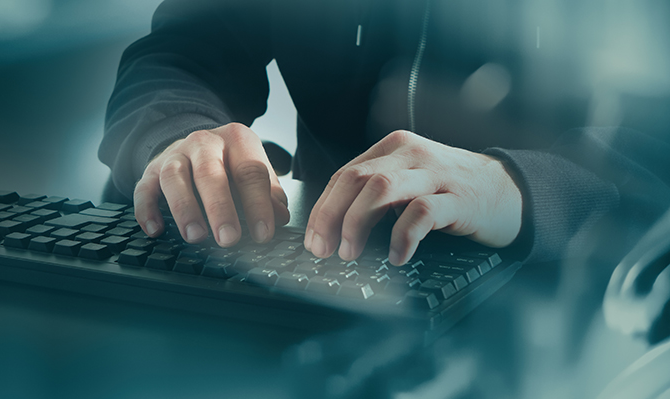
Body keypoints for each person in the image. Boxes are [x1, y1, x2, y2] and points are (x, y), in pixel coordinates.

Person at [99, 0, 670, 266]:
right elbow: (185, 51)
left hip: (578, 305)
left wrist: (522, 188)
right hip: (327, 275)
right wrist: (177, 133)